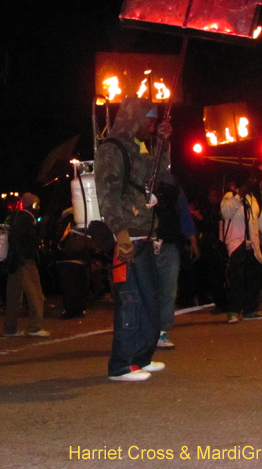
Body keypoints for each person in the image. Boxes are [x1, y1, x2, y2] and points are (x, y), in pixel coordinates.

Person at [94, 97, 170, 381]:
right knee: (132, 300)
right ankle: (121, 364)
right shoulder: (112, 149)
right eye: (148, 120)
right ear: (134, 119)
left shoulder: (140, 148)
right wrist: (121, 233)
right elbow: (107, 195)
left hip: (145, 233)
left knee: (150, 299)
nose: (151, 126)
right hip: (129, 235)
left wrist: (164, 144)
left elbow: (158, 175)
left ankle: (142, 357)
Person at [220, 178, 262, 323]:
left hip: (252, 245)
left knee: (253, 277)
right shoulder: (230, 197)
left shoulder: (255, 201)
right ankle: (233, 311)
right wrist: (239, 196)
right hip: (236, 244)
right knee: (237, 278)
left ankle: (250, 310)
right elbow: (226, 212)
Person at [153, 172, 199, 351]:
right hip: (147, 241)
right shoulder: (140, 173)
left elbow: (183, 211)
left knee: (168, 289)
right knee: (149, 288)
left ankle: (162, 331)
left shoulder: (172, 181)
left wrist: (192, 239)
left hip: (169, 241)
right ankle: (147, 331)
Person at [2, 193, 50, 338]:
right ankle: (35, 327)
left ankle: (10, 328)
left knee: (14, 296)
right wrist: (25, 255)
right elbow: (24, 240)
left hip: (14, 262)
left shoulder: (16, 217)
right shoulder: (26, 219)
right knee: (35, 294)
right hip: (24, 261)